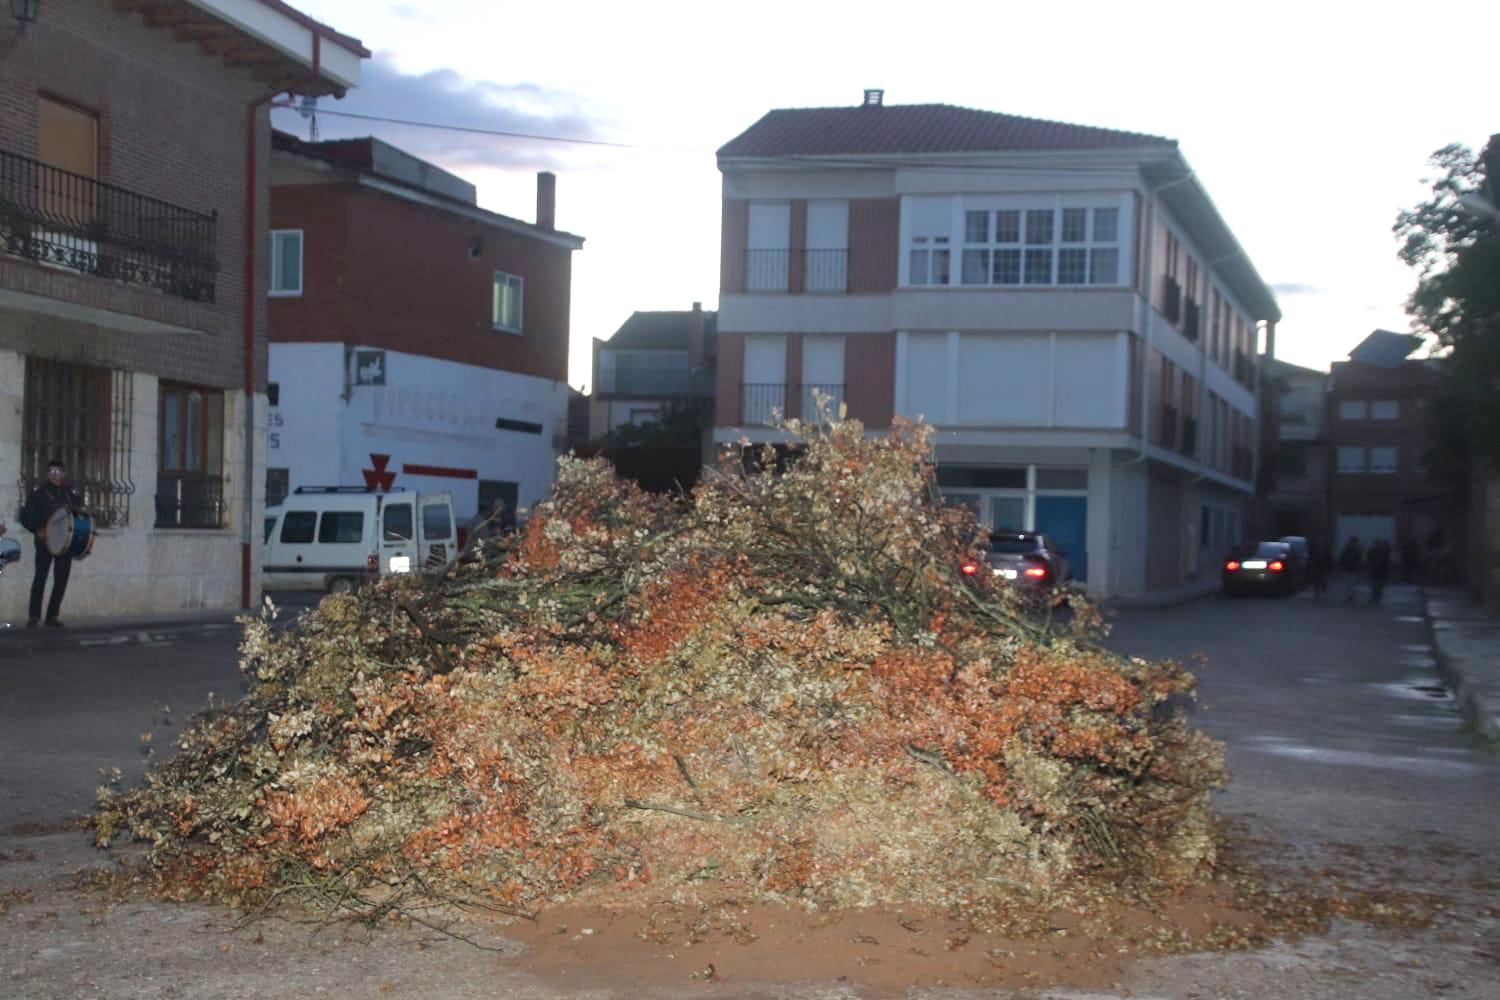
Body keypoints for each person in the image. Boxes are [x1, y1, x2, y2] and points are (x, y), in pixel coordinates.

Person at [19, 459, 85, 628]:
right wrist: (37, 529)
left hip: (64, 543)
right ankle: (34, 616)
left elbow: (79, 511)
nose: (55, 475)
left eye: (58, 472)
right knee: (40, 578)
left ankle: (52, 616)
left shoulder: (69, 494)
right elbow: (25, 516)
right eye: (52, 472)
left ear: (63, 474)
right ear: (47, 474)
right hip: (44, 542)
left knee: (61, 580)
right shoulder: (39, 494)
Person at [1338, 536, 1364, 603]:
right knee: (1351, 583)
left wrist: (1342, 566)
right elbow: (1358, 559)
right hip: (1352, 568)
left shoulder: (1347, 549)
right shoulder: (1356, 549)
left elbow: (1342, 558)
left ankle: (1349, 596)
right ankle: (1350, 596)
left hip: (1348, 568)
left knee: (1348, 583)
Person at [1367, 538, 1392, 605]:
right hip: (1380, 572)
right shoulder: (1384, 552)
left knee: (1375, 586)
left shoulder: (1372, 551)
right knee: (1378, 586)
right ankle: (1376, 599)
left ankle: (1374, 598)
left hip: (1377, 572)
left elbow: (1369, 561)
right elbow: (1387, 563)